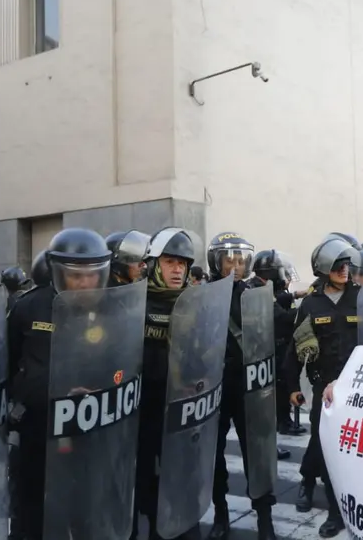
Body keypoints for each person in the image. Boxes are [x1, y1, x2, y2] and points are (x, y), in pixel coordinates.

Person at [6, 227, 118, 540]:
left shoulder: (113, 310)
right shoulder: (29, 307)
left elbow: (121, 365)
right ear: (57, 273)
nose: (85, 282)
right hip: (38, 431)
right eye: (75, 275)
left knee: (87, 512)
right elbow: (10, 364)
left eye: (92, 275)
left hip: (91, 431)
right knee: (30, 513)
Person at [285, 237, 360, 537]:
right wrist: (291, 384)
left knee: (355, 452)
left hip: (360, 389)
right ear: (324, 268)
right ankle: (334, 511)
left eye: (348, 264)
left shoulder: (362, 297)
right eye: (338, 265)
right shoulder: (311, 304)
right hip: (324, 391)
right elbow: (297, 346)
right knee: (326, 448)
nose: (345, 270)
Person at [134, 227, 203, 540]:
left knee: (182, 478)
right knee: (144, 478)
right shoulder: (133, 302)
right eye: (170, 262)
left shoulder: (193, 303)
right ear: (153, 264)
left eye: (182, 264)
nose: (178, 270)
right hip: (143, 410)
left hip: (182, 409)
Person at [207, 232, 277, 540]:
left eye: (240, 260)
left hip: (248, 386)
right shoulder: (203, 294)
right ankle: (221, 514)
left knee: (257, 454)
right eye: (229, 260)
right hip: (214, 387)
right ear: (216, 262)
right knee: (214, 456)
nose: (235, 265)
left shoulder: (256, 293)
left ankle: (265, 518)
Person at [249, 249, 305, 441]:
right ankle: (277, 428)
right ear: (271, 272)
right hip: (264, 350)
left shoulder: (264, 287)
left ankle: (283, 421)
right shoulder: (256, 289)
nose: (285, 276)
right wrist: (306, 311)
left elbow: (279, 298)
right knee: (275, 391)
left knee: (281, 386)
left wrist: (298, 294)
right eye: (281, 271)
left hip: (274, 347)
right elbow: (279, 316)